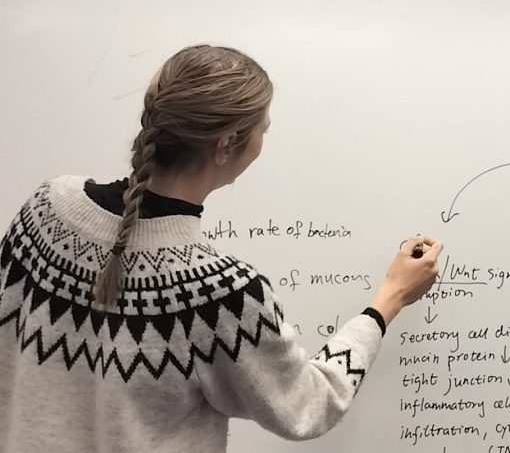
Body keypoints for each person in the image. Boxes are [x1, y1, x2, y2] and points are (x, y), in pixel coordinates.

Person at [0, 45, 442, 453]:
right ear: (228, 144)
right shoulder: (217, 295)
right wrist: (389, 298)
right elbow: (311, 404)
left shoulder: (46, 210)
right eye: (263, 130)